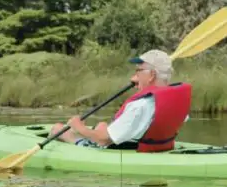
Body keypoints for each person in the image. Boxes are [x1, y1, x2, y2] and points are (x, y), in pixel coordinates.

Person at [50, 49, 192, 152]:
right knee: (102, 124)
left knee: (58, 129)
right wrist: (142, 82)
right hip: (158, 147)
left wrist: (78, 126)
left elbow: (103, 140)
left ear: (151, 75)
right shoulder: (177, 102)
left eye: (138, 71)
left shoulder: (140, 106)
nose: (133, 77)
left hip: (127, 150)